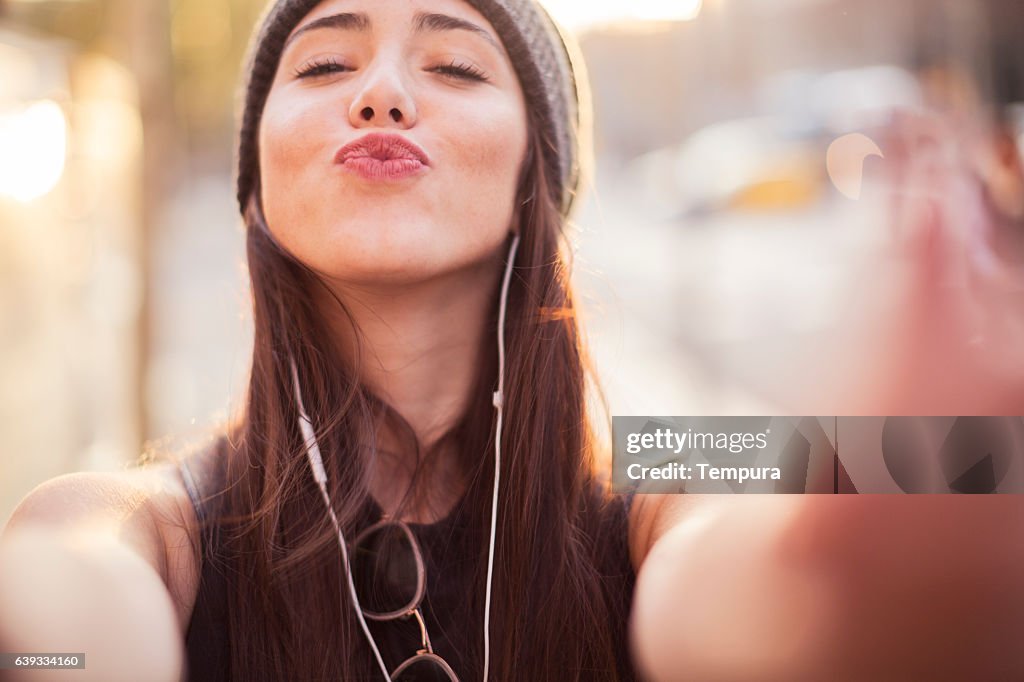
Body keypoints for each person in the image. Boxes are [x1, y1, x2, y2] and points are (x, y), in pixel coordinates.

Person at [2, 1, 1023, 682]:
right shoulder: (142, 523)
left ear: (537, 178)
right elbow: (60, 616)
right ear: (256, 183)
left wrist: (853, 592)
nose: (383, 93)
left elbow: (772, 565)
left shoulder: (664, 471)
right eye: (324, 61)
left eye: (452, 62)